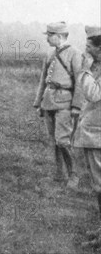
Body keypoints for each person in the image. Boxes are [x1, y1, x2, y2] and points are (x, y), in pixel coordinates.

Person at [33, 22, 85, 188]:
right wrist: (38, 102)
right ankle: (59, 173)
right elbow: (43, 80)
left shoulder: (75, 54)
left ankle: (74, 175)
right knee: (54, 140)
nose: (47, 38)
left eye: (50, 35)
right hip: (49, 101)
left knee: (63, 141)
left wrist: (76, 106)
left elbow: (80, 82)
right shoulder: (49, 54)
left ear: (60, 36)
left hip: (65, 103)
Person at [72, 25, 101, 248]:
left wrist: (84, 70)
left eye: (90, 47)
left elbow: (92, 94)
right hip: (94, 135)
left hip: (99, 136)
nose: (86, 50)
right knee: (97, 186)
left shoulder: (93, 68)